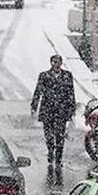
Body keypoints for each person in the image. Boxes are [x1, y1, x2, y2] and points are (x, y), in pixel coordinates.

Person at [31, 54, 76, 185]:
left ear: (61, 63)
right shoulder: (44, 76)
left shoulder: (67, 76)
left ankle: (59, 156)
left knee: (60, 134)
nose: (56, 64)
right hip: (48, 109)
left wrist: (71, 109)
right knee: (49, 134)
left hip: (61, 110)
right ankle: (51, 150)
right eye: (54, 62)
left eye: (58, 62)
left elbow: (71, 93)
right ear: (51, 63)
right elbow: (38, 91)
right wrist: (34, 106)